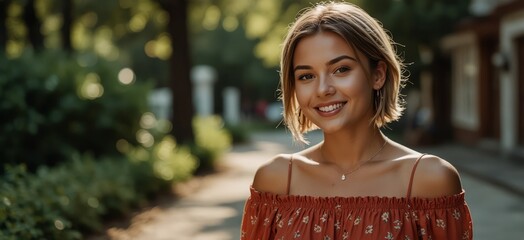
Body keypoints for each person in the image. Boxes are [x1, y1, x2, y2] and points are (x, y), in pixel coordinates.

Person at [240, 2, 472, 239]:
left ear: (378, 75)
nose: (322, 89)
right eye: (306, 76)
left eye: (341, 69)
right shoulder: (275, 181)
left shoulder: (430, 180)